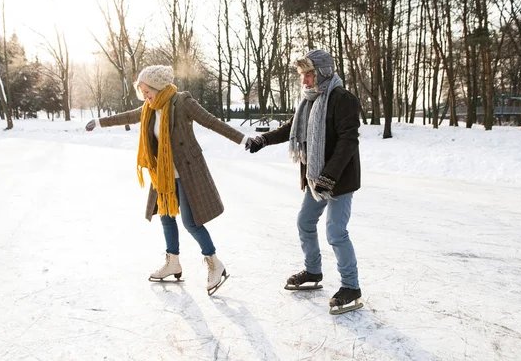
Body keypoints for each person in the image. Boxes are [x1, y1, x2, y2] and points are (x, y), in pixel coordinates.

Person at [85, 65, 248, 296]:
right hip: (163, 173)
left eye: (145, 91)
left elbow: (211, 121)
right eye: (141, 92)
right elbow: (128, 115)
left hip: (187, 171)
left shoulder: (181, 102)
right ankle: (173, 262)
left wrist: (243, 139)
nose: (144, 97)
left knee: (191, 222)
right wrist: (99, 122)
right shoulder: (149, 109)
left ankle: (214, 263)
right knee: (165, 216)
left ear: (156, 87)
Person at [246, 50, 363, 314]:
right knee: (305, 222)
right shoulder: (309, 102)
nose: (304, 81)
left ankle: (351, 286)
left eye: (308, 74)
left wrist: (329, 176)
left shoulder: (342, 99)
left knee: (336, 232)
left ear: (322, 72)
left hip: (339, 180)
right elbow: (292, 128)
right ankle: (313, 271)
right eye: (302, 75)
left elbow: (348, 142)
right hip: (315, 178)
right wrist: (263, 140)